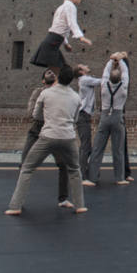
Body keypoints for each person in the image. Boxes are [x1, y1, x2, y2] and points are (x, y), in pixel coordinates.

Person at [6, 65, 86, 215]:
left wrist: (50, 118)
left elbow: (36, 115)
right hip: (65, 136)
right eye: (47, 72)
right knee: (75, 169)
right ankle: (80, 205)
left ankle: (15, 206)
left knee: (28, 168)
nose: (50, 72)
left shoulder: (46, 94)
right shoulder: (75, 97)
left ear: (58, 77)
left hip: (48, 134)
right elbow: (75, 118)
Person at [21, 69, 71, 207]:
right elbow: (30, 112)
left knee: (63, 164)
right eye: (47, 73)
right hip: (37, 129)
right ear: (43, 80)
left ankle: (63, 199)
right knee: (25, 164)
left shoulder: (61, 93)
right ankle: (19, 200)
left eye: (53, 73)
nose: (51, 73)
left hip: (54, 131)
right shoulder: (38, 92)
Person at [84, 59, 129, 186]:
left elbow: (105, 72)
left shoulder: (104, 86)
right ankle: (119, 178)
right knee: (118, 149)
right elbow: (125, 72)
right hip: (117, 116)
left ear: (109, 78)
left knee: (97, 148)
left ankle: (92, 178)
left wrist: (111, 60)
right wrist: (120, 60)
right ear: (120, 79)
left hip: (104, 117)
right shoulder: (123, 87)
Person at [30, 0, 92, 73]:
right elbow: (72, 23)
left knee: (59, 71)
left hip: (51, 40)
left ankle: (52, 85)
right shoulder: (70, 6)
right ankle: (52, 85)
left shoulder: (61, 7)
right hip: (53, 42)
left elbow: (60, 28)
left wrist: (66, 43)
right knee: (60, 71)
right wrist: (81, 37)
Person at [75, 64, 102, 175]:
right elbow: (100, 82)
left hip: (84, 115)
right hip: (83, 115)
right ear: (81, 71)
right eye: (83, 66)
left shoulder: (84, 80)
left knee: (86, 145)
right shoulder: (85, 79)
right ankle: (83, 172)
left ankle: (87, 170)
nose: (87, 66)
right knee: (85, 146)